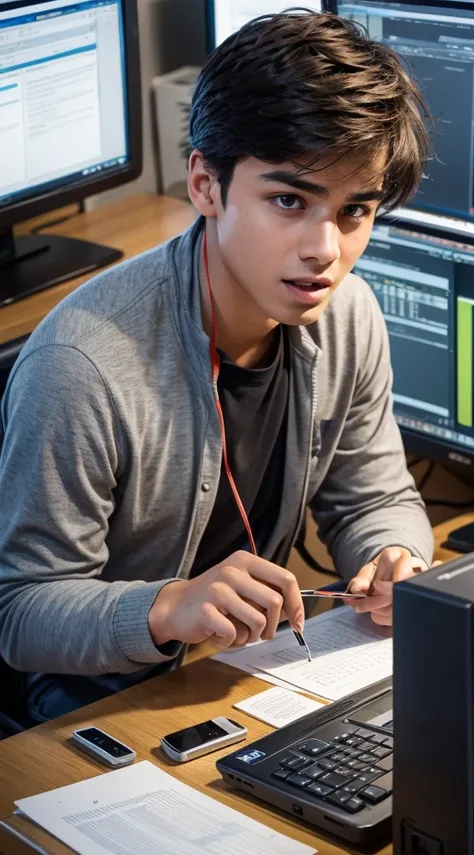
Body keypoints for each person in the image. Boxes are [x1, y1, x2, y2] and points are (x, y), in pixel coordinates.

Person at [0, 10, 434, 724]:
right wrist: (167, 606)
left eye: (355, 209)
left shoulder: (347, 313)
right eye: (288, 200)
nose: (325, 249)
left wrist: (393, 556)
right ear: (206, 184)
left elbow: (373, 497)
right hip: (99, 701)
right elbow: (21, 611)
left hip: (249, 670)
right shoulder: (82, 364)